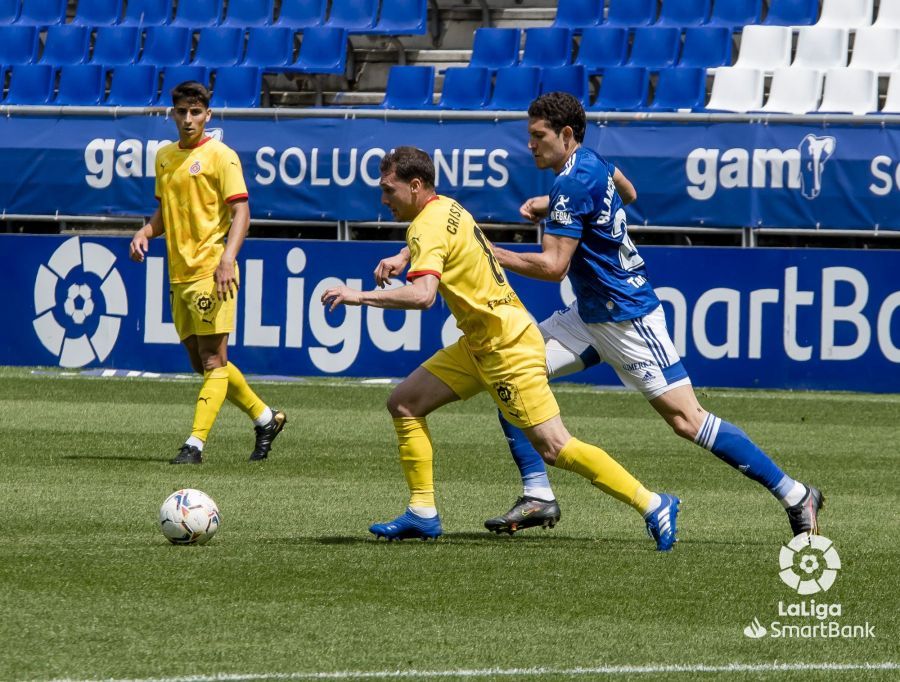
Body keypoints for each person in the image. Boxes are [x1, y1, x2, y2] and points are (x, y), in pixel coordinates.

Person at [478, 91, 822, 539]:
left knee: (687, 420)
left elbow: (553, 266)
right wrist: (559, 206)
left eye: (537, 135)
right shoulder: (592, 162)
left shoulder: (570, 184)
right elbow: (628, 190)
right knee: (512, 375)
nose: (530, 144)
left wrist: (490, 252)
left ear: (565, 135)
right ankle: (538, 495)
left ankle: (796, 494)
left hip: (628, 318)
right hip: (589, 315)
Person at [321, 146, 680, 550]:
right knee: (404, 404)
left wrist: (359, 296)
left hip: (506, 347)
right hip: (482, 342)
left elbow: (423, 296)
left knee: (555, 446)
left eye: (388, 190)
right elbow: (444, 239)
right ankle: (422, 513)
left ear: (416, 186)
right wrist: (404, 254)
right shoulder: (446, 208)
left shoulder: (425, 226)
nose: (383, 199)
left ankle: (653, 503)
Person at [129, 81, 286, 465]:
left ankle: (194, 445)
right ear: (172, 114)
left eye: (195, 112)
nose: (188, 119)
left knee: (214, 360)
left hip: (213, 270)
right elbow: (167, 210)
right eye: (181, 112)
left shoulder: (222, 156)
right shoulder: (165, 157)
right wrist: (146, 231)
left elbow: (242, 212)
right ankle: (266, 419)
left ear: (208, 115)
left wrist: (227, 259)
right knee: (201, 364)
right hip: (178, 274)